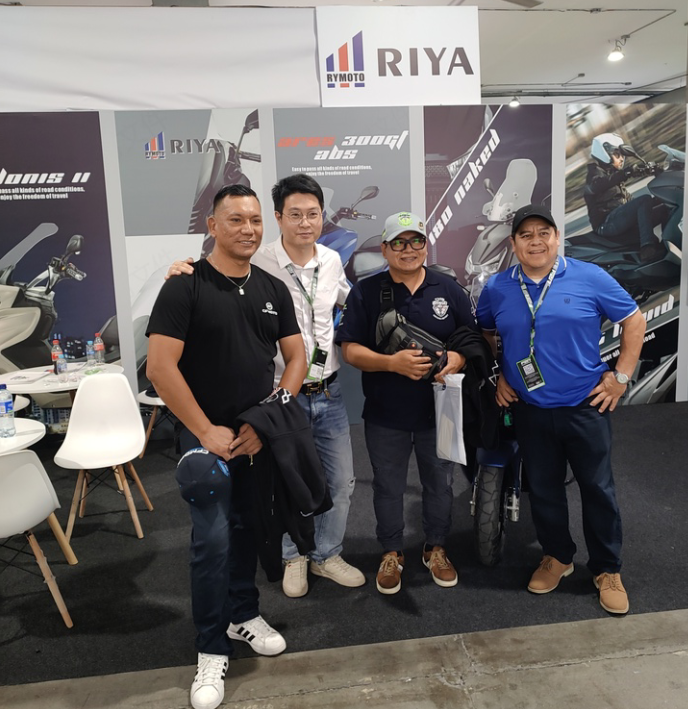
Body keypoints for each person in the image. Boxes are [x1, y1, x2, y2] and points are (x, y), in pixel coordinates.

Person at [166, 173, 365, 599]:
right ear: (278, 218)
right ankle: (293, 556)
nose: (305, 223)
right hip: (276, 397)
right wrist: (182, 268)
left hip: (327, 392)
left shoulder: (332, 260)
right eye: (295, 214)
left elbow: (349, 302)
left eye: (313, 214)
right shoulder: (258, 260)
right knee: (284, 485)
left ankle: (326, 553)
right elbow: (215, 271)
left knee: (341, 483)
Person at [147, 184, 307, 709]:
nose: (248, 229)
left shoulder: (272, 287)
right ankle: (211, 647)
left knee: (247, 527)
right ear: (212, 226)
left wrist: (270, 418)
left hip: (254, 434)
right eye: (235, 219)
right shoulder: (184, 287)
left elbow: (296, 358)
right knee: (212, 539)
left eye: (255, 220)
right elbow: (160, 368)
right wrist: (204, 430)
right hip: (203, 438)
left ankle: (243, 615)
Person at [476, 204, 646, 615]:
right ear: (513, 243)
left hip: (585, 406)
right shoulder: (497, 287)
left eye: (543, 233)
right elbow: (485, 331)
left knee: (597, 490)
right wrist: (500, 374)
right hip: (531, 408)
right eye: (526, 235)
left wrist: (621, 376)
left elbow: (634, 320)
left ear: (556, 238)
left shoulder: (590, 277)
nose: (535, 241)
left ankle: (607, 569)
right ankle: (557, 556)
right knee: (545, 488)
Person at [336, 211, 476, 595]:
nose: (408, 249)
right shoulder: (366, 291)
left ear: (426, 246)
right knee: (388, 486)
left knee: (440, 483)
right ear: (384, 249)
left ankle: (436, 548)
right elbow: (349, 350)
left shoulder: (449, 289)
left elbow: (473, 337)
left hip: (442, 410)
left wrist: (458, 358)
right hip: (386, 412)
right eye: (398, 242)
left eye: (416, 241)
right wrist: (390, 364)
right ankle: (391, 552)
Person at [584, 132, 662, 263]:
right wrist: (627, 172)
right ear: (604, 153)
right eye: (617, 154)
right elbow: (598, 185)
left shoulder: (612, 174)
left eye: (622, 155)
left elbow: (627, 201)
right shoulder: (594, 174)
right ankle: (647, 248)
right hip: (605, 224)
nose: (621, 159)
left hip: (616, 218)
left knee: (663, 205)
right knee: (644, 200)